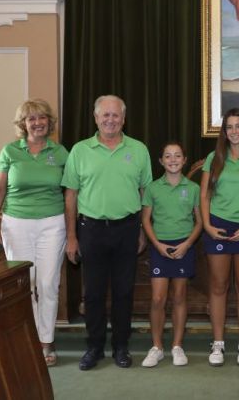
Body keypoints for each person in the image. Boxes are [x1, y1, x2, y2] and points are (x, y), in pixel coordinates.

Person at [61, 95, 152, 370]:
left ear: (124, 119)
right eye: (105, 115)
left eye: (116, 115)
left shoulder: (138, 150)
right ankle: (94, 347)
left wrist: (143, 231)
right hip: (91, 230)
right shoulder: (79, 150)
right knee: (94, 294)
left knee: (124, 291)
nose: (110, 120)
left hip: (127, 228)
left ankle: (121, 346)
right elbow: (70, 195)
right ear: (96, 118)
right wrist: (72, 236)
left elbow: (145, 192)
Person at [0, 99, 69, 367]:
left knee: (47, 283)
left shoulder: (60, 152)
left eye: (42, 117)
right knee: (26, 283)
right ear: (23, 124)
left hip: (52, 224)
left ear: (49, 121)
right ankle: (28, 338)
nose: (37, 122)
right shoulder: (10, 151)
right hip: (16, 224)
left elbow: (70, 192)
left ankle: (46, 341)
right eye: (31, 118)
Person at [200, 108, 239, 367]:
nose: (234, 131)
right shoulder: (213, 158)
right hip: (217, 227)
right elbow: (204, 196)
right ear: (224, 132)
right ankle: (218, 344)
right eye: (230, 127)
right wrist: (207, 226)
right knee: (218, 285)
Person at [140, 142, 202, 368]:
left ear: (185, 160)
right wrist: (156, 244)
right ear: (161, 161)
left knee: (179, 297)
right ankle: (157, 347)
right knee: (158, 298)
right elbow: (146, 219)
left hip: (183, 246)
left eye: (177, 156)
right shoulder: (153, 188)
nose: (173, 160)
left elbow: (200, 221)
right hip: (160, 247)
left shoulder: (193, 188)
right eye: (168, 156)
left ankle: (177, 345)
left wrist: (187, 244)